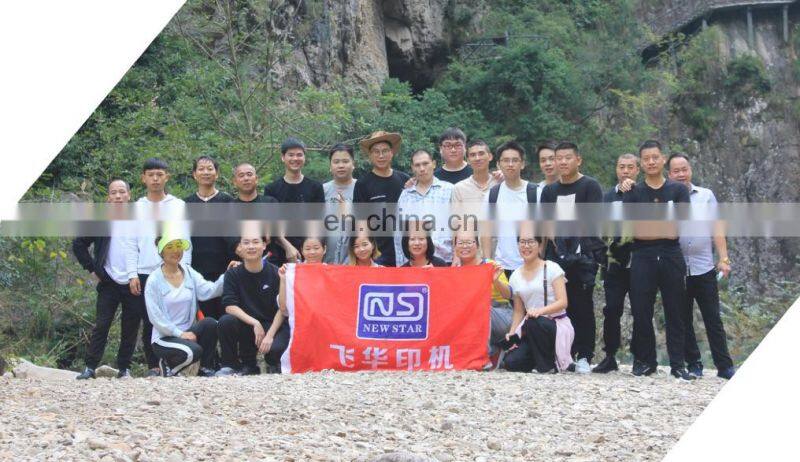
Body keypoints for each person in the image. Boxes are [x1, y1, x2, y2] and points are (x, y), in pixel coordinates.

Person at [622, 140, 695, 381]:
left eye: (655, 157)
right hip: (642, 254)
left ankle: (678, 364)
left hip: (671, 253)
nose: (651, 162)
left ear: (663, 159)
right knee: (641, 309)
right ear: (640, 164)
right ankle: (646, 361)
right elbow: (633, 229)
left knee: (676, 309)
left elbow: (678, 227)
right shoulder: (633, 191)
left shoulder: (678, 190)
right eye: (646, 158)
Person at [668, 153, 736, 379]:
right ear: (669, 174)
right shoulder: (666, 197)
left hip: (704, 267)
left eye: (684, 169)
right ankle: (694, 363)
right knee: (683, 318)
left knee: (712, 318)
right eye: (676, 171)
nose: (681, 174)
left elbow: (717, 229)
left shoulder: (706, 196)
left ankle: (724, 365)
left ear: (690, 170)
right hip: (676, 268)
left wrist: (724, 258)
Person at [540, 141, 606, 374]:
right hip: (556, 256)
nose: (562, 162)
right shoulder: (549, 191)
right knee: (556, 305)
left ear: (578, 159)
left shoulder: (590, 186)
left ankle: (585, 355)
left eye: (568, 157)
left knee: (583, 305)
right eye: (558, 158)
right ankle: (562, 354)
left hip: (583, 257)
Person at [128, 157, 191, 377]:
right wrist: (132, 273)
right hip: (146, 270)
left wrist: (186, 270)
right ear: (143, 178)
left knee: (176, 316)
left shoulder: (178, 205)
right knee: (150, 319)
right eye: (151, 175)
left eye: (159, 174)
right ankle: (154, 365)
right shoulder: (136, 208)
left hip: (175, 269)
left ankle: (177, 363)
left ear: (167, 177)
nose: (155, 179)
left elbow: (185, 238)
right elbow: (131, 242)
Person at [74, 179, 140, 379]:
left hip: (134, 281)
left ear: (129, 195)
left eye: (122, 192)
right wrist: (93, 269)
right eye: (113, 193)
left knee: (130, 326)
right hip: (108, 281)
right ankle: (90, 367)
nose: (118, 196)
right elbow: (78, 244)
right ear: (108, 197)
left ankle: (124, 368)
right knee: (102, 325)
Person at [145, 235, 222, 377]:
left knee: (211, 324)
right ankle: (168, 368)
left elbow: (208, 291)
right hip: (164, 337)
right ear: (161, 252)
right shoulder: (153, 280)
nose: (176, 251)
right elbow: (156, 317)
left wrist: (228, 275)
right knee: (194, 351)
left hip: (188, 332)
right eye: (170, 247)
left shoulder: (188, 272)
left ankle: (204, 368)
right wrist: (179, 334)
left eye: (178, 246)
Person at [503, 226, 574, 373]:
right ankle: (541, 360)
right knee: (511, 362)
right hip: (532, 328)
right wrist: (512, 333)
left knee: (534, 322)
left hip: (555, 325)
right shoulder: (515, 276)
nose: (526, 246)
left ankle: (548, 366)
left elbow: (563, 302)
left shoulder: (552, 268)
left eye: (531, 242)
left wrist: (539, 311)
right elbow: (518, 311)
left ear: (540, 245)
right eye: (522, 242)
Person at [216, 234, 289, 376]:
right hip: (247, 323)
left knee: (275, 350)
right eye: (246, 243)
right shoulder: (232, 273)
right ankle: (232, 365)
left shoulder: (276, 272)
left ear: (264, 245)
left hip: (272, 323)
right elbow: (229, 306)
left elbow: (282, 308)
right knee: (226, 321)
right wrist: (255, 323)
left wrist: (269, 336)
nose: (251, 247)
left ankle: (274, 364)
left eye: (256, 242)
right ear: (240, 247)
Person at [594, 153, 639, 373]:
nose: (626, 171)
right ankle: (610, 355)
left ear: (637, 170)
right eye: (622, 167)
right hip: (614, 262)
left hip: (640, 261)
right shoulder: (607, 197)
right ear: (616, 170)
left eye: (630, 167)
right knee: (611, 309)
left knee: (641, 309)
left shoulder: (643, 194)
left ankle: (641, 357)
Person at [184, 155, 235, 320]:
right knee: (205, 321)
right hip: (196, 270)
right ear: (194, 174)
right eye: (201, 169)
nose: (206, 172)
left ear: (217, 174)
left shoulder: (228, 202)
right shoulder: (186, 204)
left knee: (227, 318)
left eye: (210, 169)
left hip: (225, 268)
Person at [452, 229, 512, 367]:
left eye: (469, 242)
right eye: (460, 243)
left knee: (478, 305)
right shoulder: (455, 271)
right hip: (473, 319)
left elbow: (509, 294)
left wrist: (496, 281)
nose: (465, 246)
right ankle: (490, 351)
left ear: (477, 245)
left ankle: (483, 356)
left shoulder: (490, 265)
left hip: (500, 314)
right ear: (455, 247)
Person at [264, 137, 325, 265]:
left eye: (299, 155)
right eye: (291, 155)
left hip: (308, 254)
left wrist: (308, 251)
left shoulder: (315, 187)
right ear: (283, 157)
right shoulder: (272, 189)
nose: (295, 158)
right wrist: (287, 246)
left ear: (304, 157)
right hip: (279, 253)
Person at [353, 131, 410, 267]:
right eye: (376, 152)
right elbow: (361, 222)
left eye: (385, 151)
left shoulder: (404, 180)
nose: (381, 156)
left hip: (406, 252)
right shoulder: (363, 184)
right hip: (378, 254)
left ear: (392, 153)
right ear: (370, 155)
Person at [481, 141, 537, 278]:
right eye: (505, 160)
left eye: (515, 160)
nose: (510, 164)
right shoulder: (492, 195)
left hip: (532, 265)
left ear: (522, 164)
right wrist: (488, 261)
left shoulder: (535, 192)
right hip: (502, 266)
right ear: (498, 164)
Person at [395, 149, 453, 266]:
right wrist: (401, 265)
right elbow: (399, 234)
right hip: (416, 263)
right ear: (412, 168)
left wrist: (457, 257)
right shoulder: (405, 196)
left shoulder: (449, 190)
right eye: (417, 165)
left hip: (446, 259)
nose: (422, 168)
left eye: (425, 163)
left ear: (434, 164)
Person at [323, 144, 356, 264]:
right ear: (330, 166)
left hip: (355, 262)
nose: (341, 165)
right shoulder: (322, 190)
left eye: (345, 161)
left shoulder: (362, 188)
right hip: (326, 261)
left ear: (353, 164)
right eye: (336, 162)